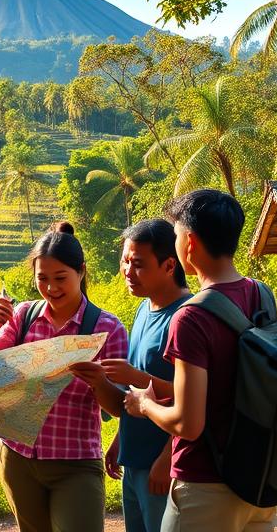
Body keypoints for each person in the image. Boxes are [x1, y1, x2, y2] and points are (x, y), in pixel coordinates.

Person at [123, 189, 277, 532]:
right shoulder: (260, 293)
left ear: (189, 242)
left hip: (206, 483)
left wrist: (145, 404)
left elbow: (188, 424)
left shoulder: (190, 317)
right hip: (257, 478)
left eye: (176, 235)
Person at [0, 221, 128, 532]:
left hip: (75, 462)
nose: (51, 288)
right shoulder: (24, 317)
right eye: (42, 279)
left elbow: (118, 409)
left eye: (61, 278)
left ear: (82, 272)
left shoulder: (107, 328)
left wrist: (99, 382)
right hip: (17, 456)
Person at [99, 219, 191, 532]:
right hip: (135, 458)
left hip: (162, 464)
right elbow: (137, 397)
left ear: (168, 265)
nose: (127, 271)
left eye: (138, 264)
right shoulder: (144, 309)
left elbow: (191, 396)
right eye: (125, 261)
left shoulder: (186, 316)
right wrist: (119, 438)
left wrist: (167, 460)